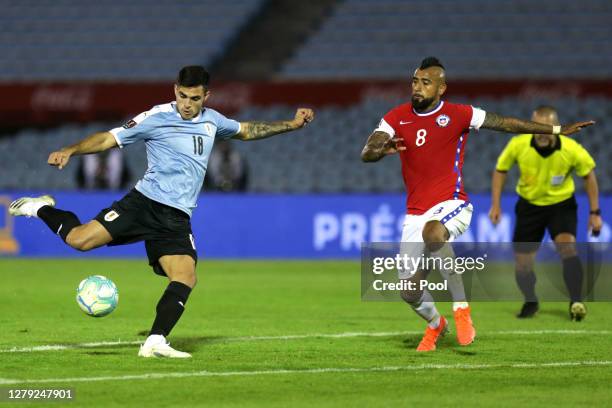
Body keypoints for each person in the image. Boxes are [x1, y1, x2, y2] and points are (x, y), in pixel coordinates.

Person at [9, 65, 314, 358]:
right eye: (183, 96)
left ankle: (155, 341)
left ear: (206, 97)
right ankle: (40, 208)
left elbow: (247, 130)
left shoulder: (213, 121)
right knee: (79, 241)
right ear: (175, 91)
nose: (187, 104)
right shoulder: (157, 116)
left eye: (195, 99)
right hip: (143, 204)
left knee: (185, 276)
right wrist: (70, 150)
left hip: (176, 218)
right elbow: (109, 138)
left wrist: (292, 124)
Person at [361, 57, 593, 352]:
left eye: (426, 83)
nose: (418, 88)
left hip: (452, 203)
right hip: (414, 213)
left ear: (441, 88)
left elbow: (505, 123)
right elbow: (367, 151)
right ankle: (436, 325)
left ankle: (461, 309)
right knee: (408, 290)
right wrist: (381, 149)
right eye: (415, 82)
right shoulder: (396, 117)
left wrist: (557, 131)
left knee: (433, 232)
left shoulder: (460, 114)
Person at [488, 105, 601, 321]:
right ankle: (531, 301)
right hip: (529, 206)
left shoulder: (571, 149)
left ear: (555, 127)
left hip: (561, 205)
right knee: (522, 264)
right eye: (537, 126)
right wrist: (496, 205)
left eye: (546, 127)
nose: (540, 131)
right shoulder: (518, 144)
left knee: (567, 248)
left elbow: (589, 175)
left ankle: (576, 301)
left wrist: (595, 212)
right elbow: (500, 170)